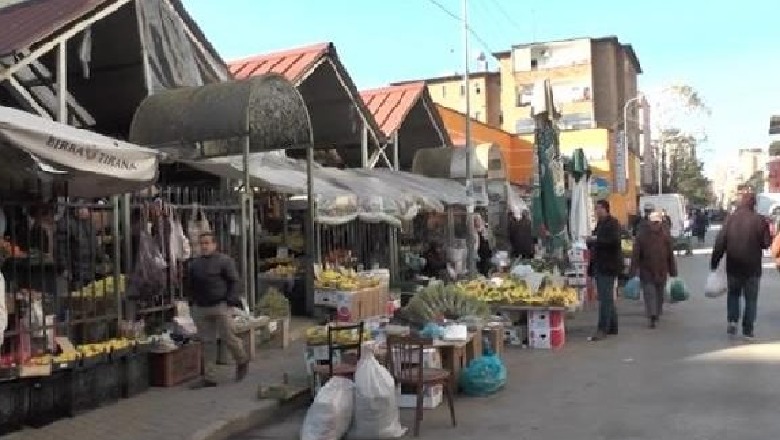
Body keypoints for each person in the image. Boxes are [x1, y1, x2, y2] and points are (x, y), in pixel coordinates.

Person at [186, 232, 249, 387]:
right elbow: (189, 284)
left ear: (214, 245)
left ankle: (242, 360)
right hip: (201, 307)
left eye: (207, 243)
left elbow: (234, 281)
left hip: (221, 305)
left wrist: (230, 301)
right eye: (202, 244)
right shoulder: (194, 264)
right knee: (207, 343)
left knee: (229, 337)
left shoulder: (224, 261)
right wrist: (192, 302)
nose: (204, 246)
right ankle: (210, 377)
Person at [710, 192, 772, 340]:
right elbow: (766, 243)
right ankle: (748, 329)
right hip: (753, 268)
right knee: (751, 299)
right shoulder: (759, 220)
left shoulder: (730, 219)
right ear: (754, 204)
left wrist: (715, 262)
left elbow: (720, 242)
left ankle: (732, 321)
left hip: (734, 266)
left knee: (733, 295)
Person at [630, 211, 678, 329]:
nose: (655, 225)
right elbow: (636, 254)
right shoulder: (642, 236)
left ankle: (657, 312)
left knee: (660, 293)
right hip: (647, 270)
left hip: (662, 270)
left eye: (657, 222)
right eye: (653, 222)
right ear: (649, 223)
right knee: (649, 293)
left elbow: (670, 255)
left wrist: (673, 271)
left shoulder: (665, 236)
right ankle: (651, 315)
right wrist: (633, 270)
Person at [587, 200, 623, 341]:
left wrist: (595, 240)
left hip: (608, 266)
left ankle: (602, 329)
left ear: (605, 209)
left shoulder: (612, 223)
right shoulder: (600, 224)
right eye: (595, 209)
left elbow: (613, 241)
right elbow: (596, 243)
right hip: (599, 264)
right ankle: (613, 326)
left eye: (598, 209)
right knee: (607, 297)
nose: (596, 211)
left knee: (605, 298)